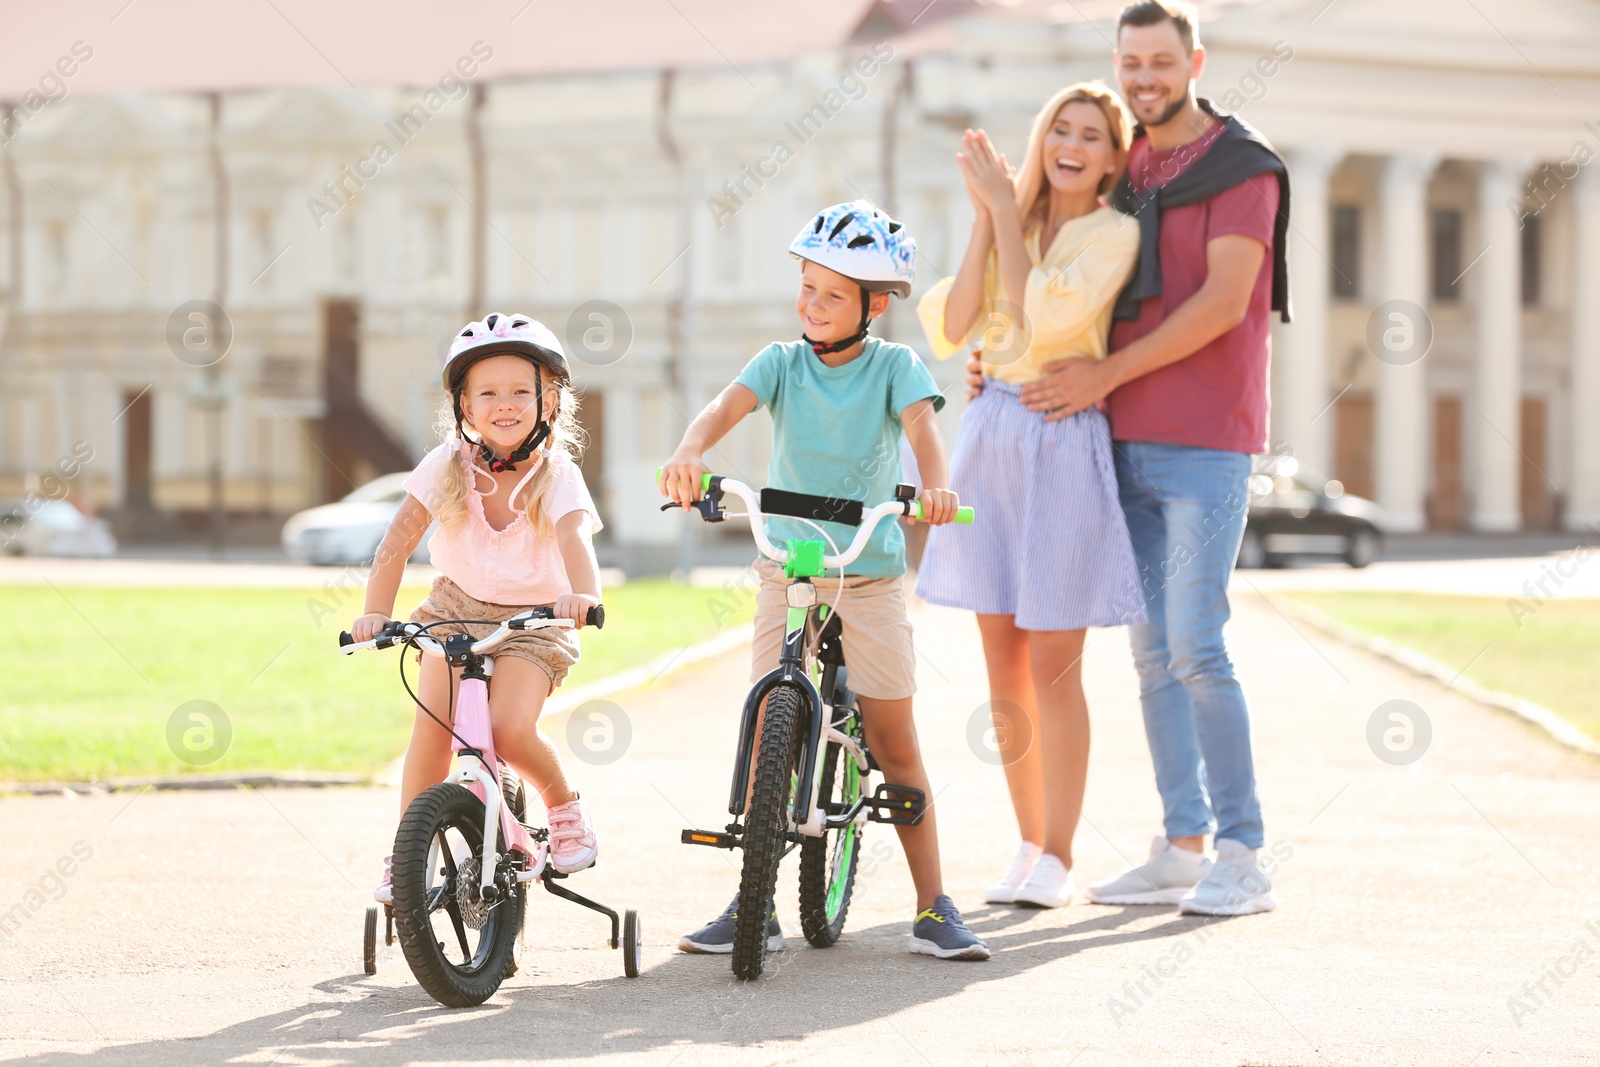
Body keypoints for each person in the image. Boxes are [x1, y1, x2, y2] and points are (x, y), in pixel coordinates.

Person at [983, 0, 1289, 916]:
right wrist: (1000, 361)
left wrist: (1102, 373)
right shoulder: (1136, 165)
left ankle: (1243, 852)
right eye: (1131, 63)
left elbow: (1222, 303)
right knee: (1151, 653)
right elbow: (1066, 284)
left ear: (1195, 60)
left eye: (1161, 61)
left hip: (1205, 440)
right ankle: (1181, 843)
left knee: (1197, 644)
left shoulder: (1243, 166)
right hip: (1116, 438)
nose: (1144, 77)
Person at [660, 201, 990, 961]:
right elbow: (724, 407)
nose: (812, 305)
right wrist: (689, 450)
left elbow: (922, 430)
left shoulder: (893, 367)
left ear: (875, 306)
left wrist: (933, 488)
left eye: (832, 295)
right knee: (765, 711)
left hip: (866, 574)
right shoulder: (779, 362)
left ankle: (933, 904)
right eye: (806, 287)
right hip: (788, 562)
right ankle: (753, 897)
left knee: (892, 735)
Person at [915, 82, 1145, 910]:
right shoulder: (1014, 218)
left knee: (1054, 661)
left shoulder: (1112, 233)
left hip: (1061, 443)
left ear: (1114, 158)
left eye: (1092, 134)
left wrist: (1007, 219)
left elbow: (1046, 323)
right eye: (1060, 128)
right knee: (1002, 658)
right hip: (993, 435)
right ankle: (1026, 841)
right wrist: (987, 216)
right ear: (1043, 138)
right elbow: (955, 324)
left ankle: (1060, 849)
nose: (1072, 144)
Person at [352, 313, 605, 904]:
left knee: (509, 729)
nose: (505, 403)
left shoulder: (557, 476)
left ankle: (564, 807)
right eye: (487, 392)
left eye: (522, 390)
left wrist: (583, 596)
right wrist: (373, 612)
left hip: (535, 620)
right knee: (431, 737)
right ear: (464, 406)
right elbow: (396, 543)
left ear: (550, 402)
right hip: (453, 610)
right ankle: (408, 852)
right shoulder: (446, 467)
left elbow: (575, 540)